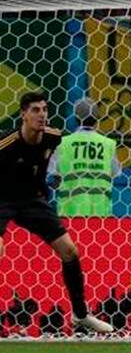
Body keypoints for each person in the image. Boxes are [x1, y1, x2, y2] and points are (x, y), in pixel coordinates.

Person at [0, 92, 113, 333]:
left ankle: (81, 315)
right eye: (35, 110)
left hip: (33, 200)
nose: (41, 115)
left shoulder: (53, 138)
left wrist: (55, 179)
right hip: (3, 200)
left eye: (44, 110)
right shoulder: (6, 144)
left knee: (69, 251)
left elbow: (57, 166)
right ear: (23, 114)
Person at [48, 98, 120, 217]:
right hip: (100, 211)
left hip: (69, 212)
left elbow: (54, 175)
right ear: (97, 117)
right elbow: (115, 172)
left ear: (76, 117)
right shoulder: (108, 144)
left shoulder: (62, 144)